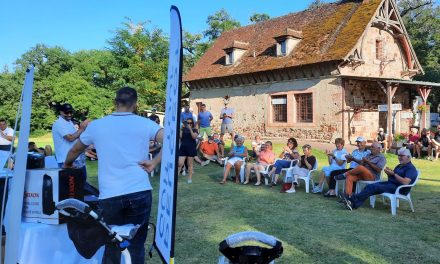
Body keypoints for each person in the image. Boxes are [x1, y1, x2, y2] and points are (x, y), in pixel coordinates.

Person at [64, 86, 163, 264]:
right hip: (139, 190)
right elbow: (173, 139)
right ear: (136, 104)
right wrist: (154, 162)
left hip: (110, 194)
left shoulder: (97, 126)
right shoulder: (145, 123)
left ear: (114, 103)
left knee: (111, 243)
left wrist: (67, 165)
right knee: (136, 245)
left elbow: (75, 149)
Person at [342, 148, 418, 211]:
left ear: (408, 157)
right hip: (391, 185)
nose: (400, 157)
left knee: (373, 187)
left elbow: (405, 182)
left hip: (399, 189)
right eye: (399, 155)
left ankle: (351, 200)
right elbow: (394, 177)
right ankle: (353, 203)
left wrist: (394, 174)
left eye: (402, 156)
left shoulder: (410, 168)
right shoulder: (400, 166)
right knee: (370, 186)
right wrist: (389, 173)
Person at [52, 103, 89, 179]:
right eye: (66, 112)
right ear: (61, 112)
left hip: (77, 159)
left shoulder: (70, 122)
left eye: (71, 112)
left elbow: (77, 136)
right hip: (66, 161)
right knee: (71, 188)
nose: (69, 114)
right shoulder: (59, 123)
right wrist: (82, 128)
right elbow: (70, 138)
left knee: (82, 185)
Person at [177, 118, 199, 184]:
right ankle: (176, 178)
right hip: (183, 148)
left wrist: (190, 129)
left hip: (191, 148)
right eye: (188, 123)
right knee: (180, 163)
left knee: (190, 164)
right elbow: (180, 137)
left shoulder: (195, 130)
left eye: (190, 123)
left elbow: (194, 137)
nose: (189, 124)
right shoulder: (183, 129)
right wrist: (181, 129)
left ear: (192, 123)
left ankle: (189, 178)